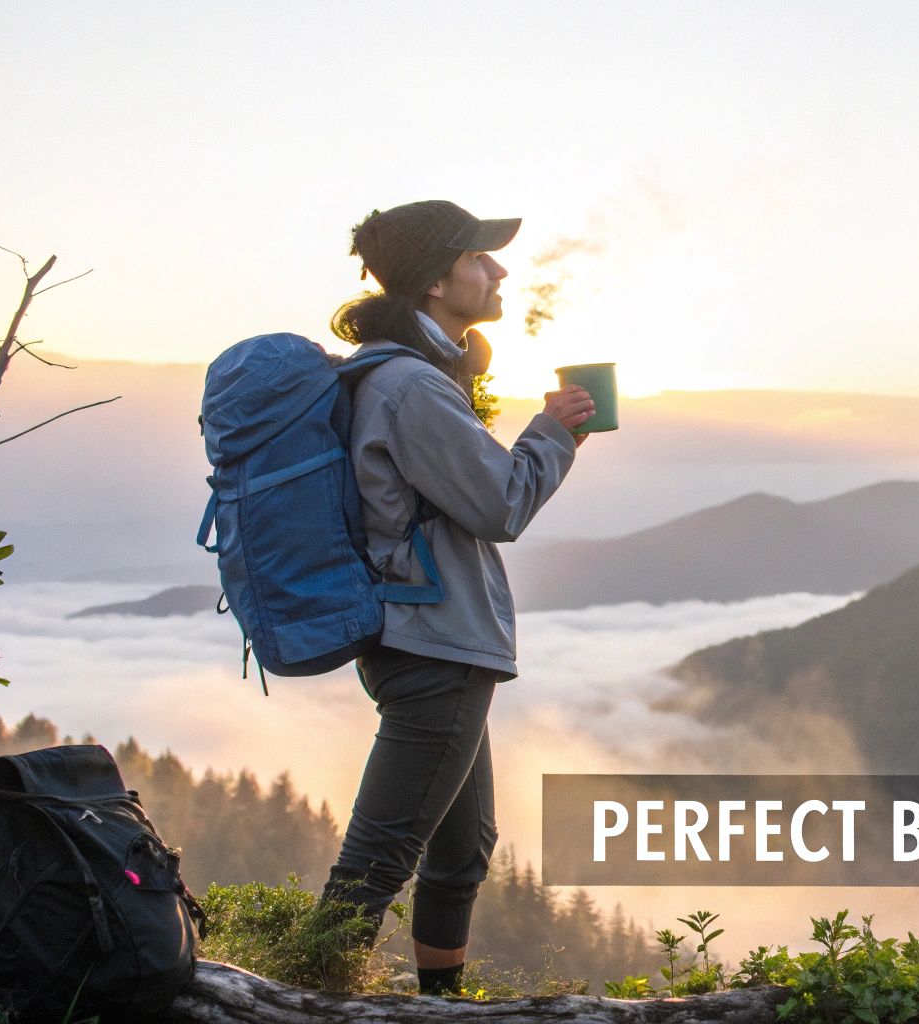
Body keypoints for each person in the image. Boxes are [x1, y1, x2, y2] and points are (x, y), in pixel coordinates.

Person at [319, 199, 593, 996]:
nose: (499, 269)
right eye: (480, 258)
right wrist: (552, 435)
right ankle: (305, 997)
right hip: (432, 645)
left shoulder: (407, 374)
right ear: (438, 280)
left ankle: (441, 1005)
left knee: (462, 848)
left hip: (434, 639)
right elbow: (498, 505)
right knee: (378, 859)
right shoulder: (409, 387)